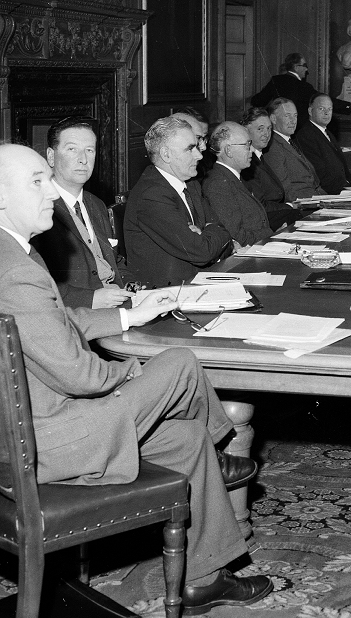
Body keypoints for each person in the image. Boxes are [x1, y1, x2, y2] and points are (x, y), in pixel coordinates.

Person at [0, 143, 274, 614]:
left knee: (186, 439)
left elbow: (55, 322)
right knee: (178, 362)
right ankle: (223, 445)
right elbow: (81, 375)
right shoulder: (15, 272)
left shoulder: (12, 254)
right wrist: (138, 374)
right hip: (45, 444)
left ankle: (204, 577)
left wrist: (128, 316)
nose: (51, 192)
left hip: (37, 428)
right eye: (37, 182)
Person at [31, 116, 133, 310]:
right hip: (77, 316)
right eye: (72, 149)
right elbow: (36, 283)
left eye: (89, 150)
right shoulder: (38, 209)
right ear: (51, 157)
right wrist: (92, 299)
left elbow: (115, 261)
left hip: (118, 306)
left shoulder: (96, 204)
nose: (83, 159)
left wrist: (132, 288)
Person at [124, 117, 232, 287]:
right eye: (190, 149)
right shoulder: (151, 195)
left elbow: (224, 232)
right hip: (169, 295)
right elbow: (203, 251)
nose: (199, 154)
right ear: (166, 154)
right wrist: (209, 232)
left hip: (199, 283)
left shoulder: (191, 184)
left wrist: (207, 233)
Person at [202, 121, 273, 247]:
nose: (251, 149)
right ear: (229, 150)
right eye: (247, 144)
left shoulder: (234, 178)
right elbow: (235, 235)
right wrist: (271, 235)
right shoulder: (218, 184)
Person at [251, 52, 351, 125]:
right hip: (296, 129)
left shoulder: (275, 80)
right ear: (296, 67)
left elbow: (258, 100)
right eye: (305, 65)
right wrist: (349, 105)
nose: (306, 69)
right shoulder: (303, 86)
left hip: (276, 126)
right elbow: (322, 101)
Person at [238, 107, 300, 230]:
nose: (266, 134)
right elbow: (260, 206)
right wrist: (290, 206)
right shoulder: (247, 163)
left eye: (269, 129)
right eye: (260, 129)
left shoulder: (260, 157)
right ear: (246, 131)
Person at [263, 97, 326, 200]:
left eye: (295, 116)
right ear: (273, 119)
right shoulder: (273, 146)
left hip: (317, 199)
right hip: (303, 205)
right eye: (287, 116)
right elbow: (285, 192)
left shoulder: (290, 141)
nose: (293, 121)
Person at [295, 93, 351, 194]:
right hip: (328, 193)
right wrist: (345, 190)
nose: (326, 113)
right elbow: (318, 174)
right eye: (321, 109)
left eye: (330, 109)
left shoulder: (327, 133)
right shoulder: (306, 135)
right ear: (310, 111)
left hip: (342, 190)